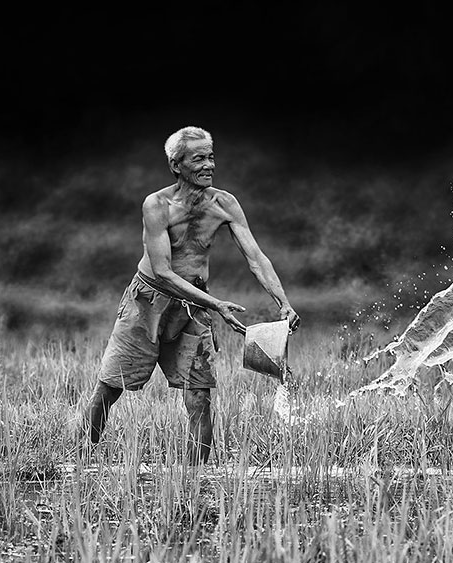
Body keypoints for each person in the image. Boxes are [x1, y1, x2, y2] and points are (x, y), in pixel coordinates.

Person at [82, 126, 300, 464]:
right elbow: (163, 272)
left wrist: (283, 303)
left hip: (194, 307)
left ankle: (196, 480)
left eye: (211, 157)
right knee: (110, 388)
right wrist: (216, 306)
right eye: (198, 158)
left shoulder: (224, 203)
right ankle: (79, 461)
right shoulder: (157, 205)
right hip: (148, 302)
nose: (209, 165)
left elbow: (255, 257)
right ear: (176, 165)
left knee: (199, 396)